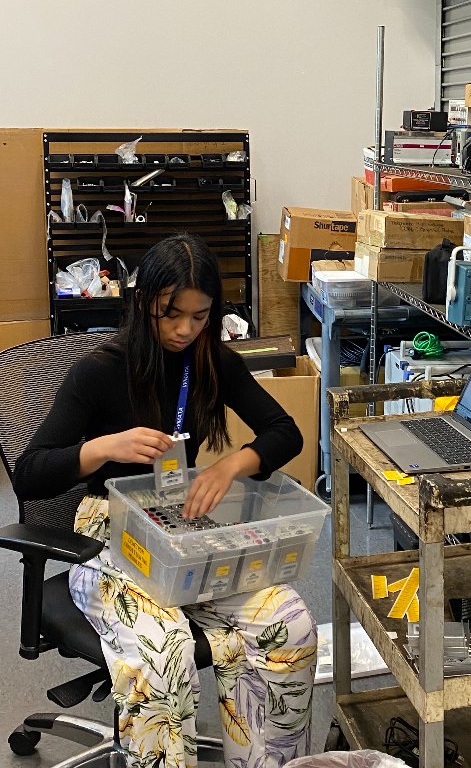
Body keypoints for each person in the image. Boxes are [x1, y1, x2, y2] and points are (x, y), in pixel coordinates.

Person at [14, 233, 317, 768]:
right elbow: (30, 475)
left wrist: (230, 465)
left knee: (287, 621)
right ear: (143, 303)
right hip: (106, 536)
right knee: (164, 649)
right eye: (170, 314)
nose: (184, 330)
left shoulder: (210, 361)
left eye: (200, 317)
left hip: (182, 523)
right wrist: (104, 447)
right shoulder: (98, 372)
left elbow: (284, 432)